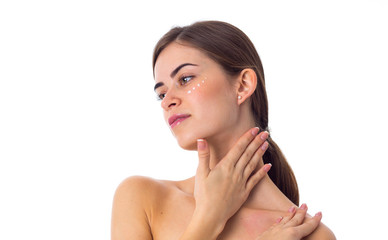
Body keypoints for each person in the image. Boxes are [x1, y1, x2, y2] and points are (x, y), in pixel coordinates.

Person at [111, 21, 336, 240]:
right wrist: (209, 217)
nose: (167, 101)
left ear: (243, 85)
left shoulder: (307, 233)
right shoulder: (141, 198)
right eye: (161, 93)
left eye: (186, 79)